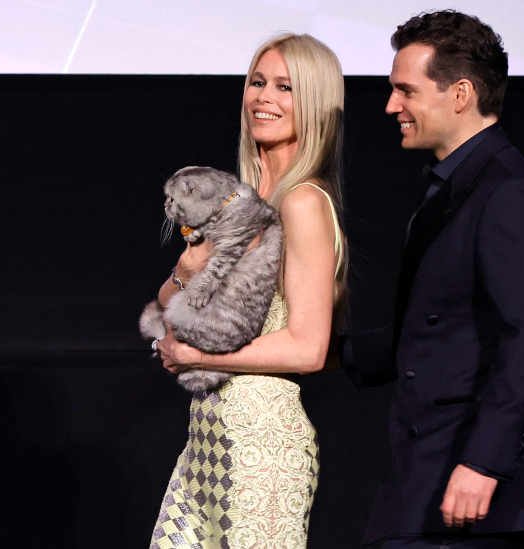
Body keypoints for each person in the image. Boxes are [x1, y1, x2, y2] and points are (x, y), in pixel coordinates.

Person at [339, 10, 524, 549]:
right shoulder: (457, 186)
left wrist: (484, 462)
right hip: (423, 475)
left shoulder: (509, 193)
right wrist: (320, 350)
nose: (392, 106)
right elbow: (440, 327)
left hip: (469, 487)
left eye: (405, 91)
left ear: (460, 93)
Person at [149, 33, 348, 549]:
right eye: (258, 82)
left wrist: (195, 354)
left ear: (316, 104)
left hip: (262, 446)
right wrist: (187, 267)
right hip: (206, 444)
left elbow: (309, 347)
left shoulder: (303, 202)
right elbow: (171, 309)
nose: (264, 97)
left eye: (286, 87)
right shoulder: (242, 200)